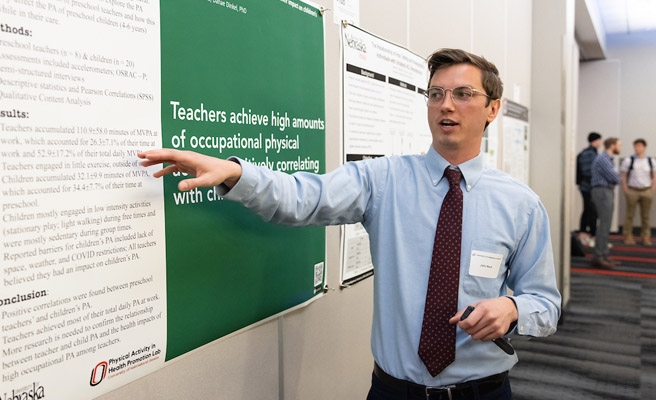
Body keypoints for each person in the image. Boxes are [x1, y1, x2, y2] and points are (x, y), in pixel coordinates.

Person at [139, 48, 561, 399]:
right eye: (436, 93)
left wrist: (512, 308)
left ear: (493, 108)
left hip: (483, 392)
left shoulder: (520, 205)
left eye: (463, 94)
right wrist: (235, 173)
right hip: (395, 392)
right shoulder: (384, 179)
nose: (446, 105)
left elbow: (546, 304)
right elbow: (303, 198)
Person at [590, 137, 622, 268]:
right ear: (612, 146)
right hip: (602, 191)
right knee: (604, 224)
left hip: (605, 191)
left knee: (606, 224)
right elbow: (615, 177)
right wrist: (618, 177)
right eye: (619, 145)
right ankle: (599, 256)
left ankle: (604, 254)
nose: (620, 147)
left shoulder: (607, 159)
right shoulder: (603, 159)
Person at [621, 138, 656, 246]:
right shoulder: (629, 160)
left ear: (644, 147)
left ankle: (645, 236)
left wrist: (652, 188)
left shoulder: (650, 161)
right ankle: (628, 236)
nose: (637, 148)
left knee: (645, 215)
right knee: (629, 215)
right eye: (635, 146)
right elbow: (623, 175)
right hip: (633, 190)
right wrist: (625, 188)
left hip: (646, 190)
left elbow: (654, 175)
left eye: (639, 146)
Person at [576, 132, 602, 246]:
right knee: (590, 211)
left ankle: (589, 234)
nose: (601, 143)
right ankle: (587, 234)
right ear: (595, 141)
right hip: (588, 187)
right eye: (600, 140)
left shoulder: (592, 153)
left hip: (589, 187)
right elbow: (588, 172)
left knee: (590, 210)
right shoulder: (589, 154)